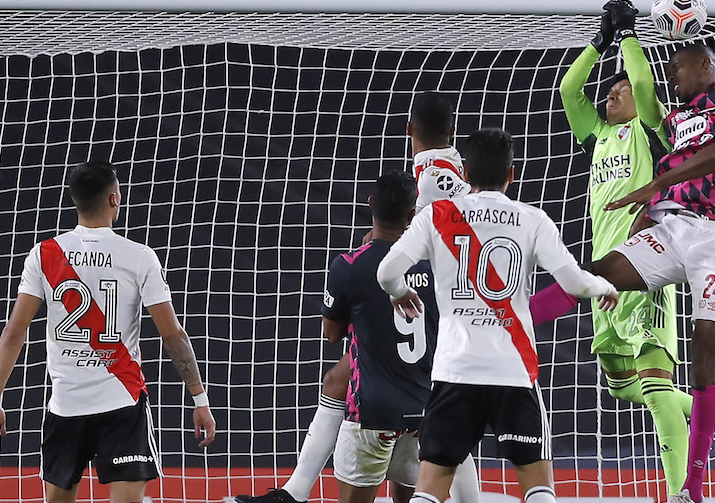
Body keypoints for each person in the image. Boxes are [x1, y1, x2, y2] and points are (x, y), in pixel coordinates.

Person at [237, 92, 481, 503]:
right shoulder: (449, 165)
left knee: (434, 405)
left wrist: (393, 248)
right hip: (452, 291)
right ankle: (294, 491)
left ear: (408, 128)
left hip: (442, 295)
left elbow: (446, 229)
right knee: (344, 381)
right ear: (452, 130)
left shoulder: (433, 175)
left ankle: (297, 492)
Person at [377, 129, 619, 503]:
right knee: (538, 486)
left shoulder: (437, 216)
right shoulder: (533, 219)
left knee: (430, 489)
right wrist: (603, 286)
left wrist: (399, 292)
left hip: (454, 370)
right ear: (512, 173)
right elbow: (573, 282)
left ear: (466, 175)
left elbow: (387, 271)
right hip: (514, 371)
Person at [583, 37, 715, 503]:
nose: (671, 77)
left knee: (692, 365)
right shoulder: (669, 122)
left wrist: (658, 183)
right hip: (670, 231)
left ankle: (691, 490)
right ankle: (517, 316)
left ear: (704, 64)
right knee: (596, 282)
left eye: (677, 69)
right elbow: (629, 95)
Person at [0, 161, 216, 503]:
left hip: (66, 405)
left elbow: (15, 332)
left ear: (75, 200)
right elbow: (174, 335)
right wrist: (200, 399)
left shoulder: (44, 254)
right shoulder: (139, 256)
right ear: (114, 199)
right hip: (122, 402)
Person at [554, 0, 692, 498]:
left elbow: (644, 85)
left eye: (619, 89)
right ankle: (697, 411)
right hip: (602, 277)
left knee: (654, 387)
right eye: (608, 90)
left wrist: (630, 35)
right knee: (619, 385)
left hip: (648, 268)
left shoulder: (651, 131)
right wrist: (598, 42)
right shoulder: (597, 136)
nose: (611, 94)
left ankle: (681, 490)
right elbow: (570, 89)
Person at [322, 170, 439, 503]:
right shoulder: (435, 265)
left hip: (372, 413)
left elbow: (331, 334)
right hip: (423, 411)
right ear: (412, 215)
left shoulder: (349, 266)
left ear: (370, 204)